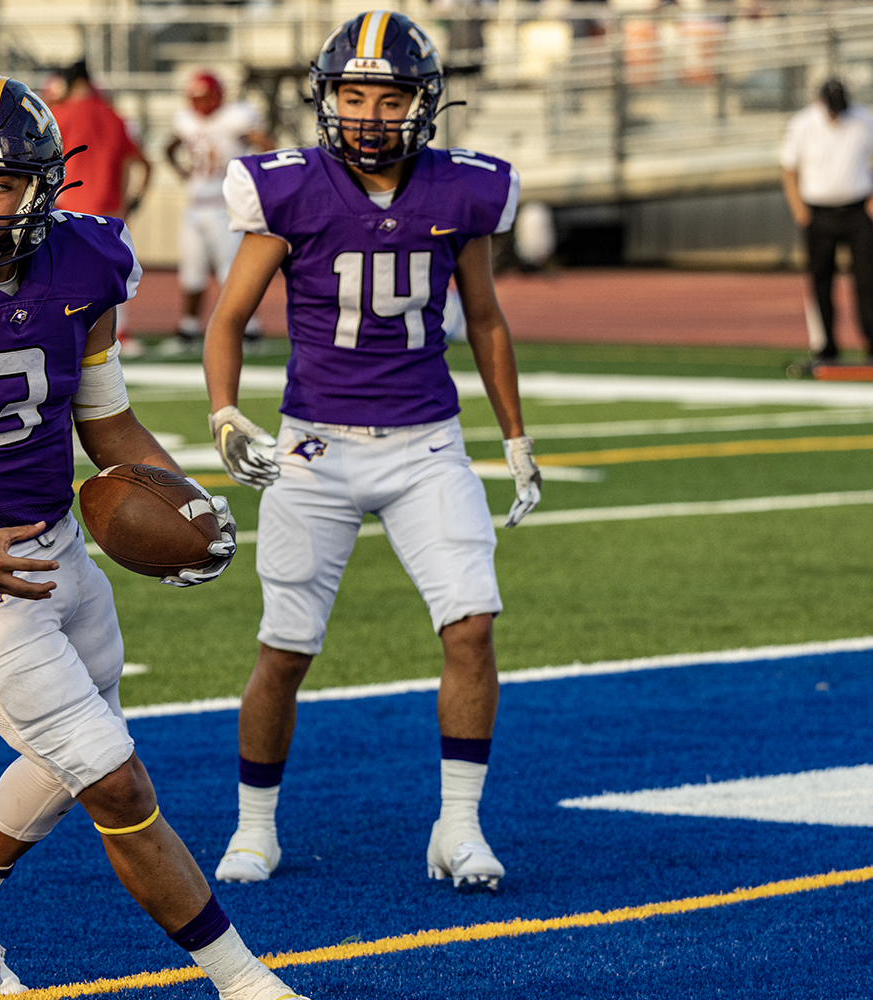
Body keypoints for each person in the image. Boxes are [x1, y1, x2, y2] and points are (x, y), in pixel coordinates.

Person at [0, 75, 307, 1000]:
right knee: (112, 781)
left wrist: (180, 497)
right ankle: (243, 981)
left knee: (71, 748)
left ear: (44, 187)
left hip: (60, 550)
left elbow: (106, 422)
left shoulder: (86, 263)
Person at [202, 11, 541, 893]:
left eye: (388, 96)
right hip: (316, 446)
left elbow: (489, 318)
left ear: (423, 103)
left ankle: (459, 828)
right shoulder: (290, 190)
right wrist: (226, 413)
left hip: (427, 441)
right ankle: (255, 828)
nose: (369, 113)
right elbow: (228, 319)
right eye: (353, 94)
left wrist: (515, 435)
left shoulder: (465, 192)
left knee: (471, 624)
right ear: (327, 99)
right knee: (285, 645)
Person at [165, 70, 271, 351]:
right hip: (195, 206)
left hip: (226, 206)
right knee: (192, 271)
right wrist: (182, 172)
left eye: (204, 98)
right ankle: (189, 330)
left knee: (232, 270)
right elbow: (169, 147)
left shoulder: (236, 117)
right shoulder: (186, 120)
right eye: (195, 98)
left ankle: (250, 330)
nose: (199, 105)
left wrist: (254, 174)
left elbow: (266, 145)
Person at [50, 60, 151, 354]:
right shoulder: (114, 116)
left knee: (65, 276)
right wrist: (133, 201)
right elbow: (143, 164)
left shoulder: (60, 115)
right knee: (113, 275)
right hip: (110, 212)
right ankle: (120, 334)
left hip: (68, 208)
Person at [780, 77, 873, 362]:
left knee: (868, 279)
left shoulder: (863, 120)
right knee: (821, 279)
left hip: (858, 211)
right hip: (818, 212)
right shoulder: (803, 124)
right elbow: (788, 168)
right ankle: (825, 345)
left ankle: (871, 342)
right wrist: (799, 210)